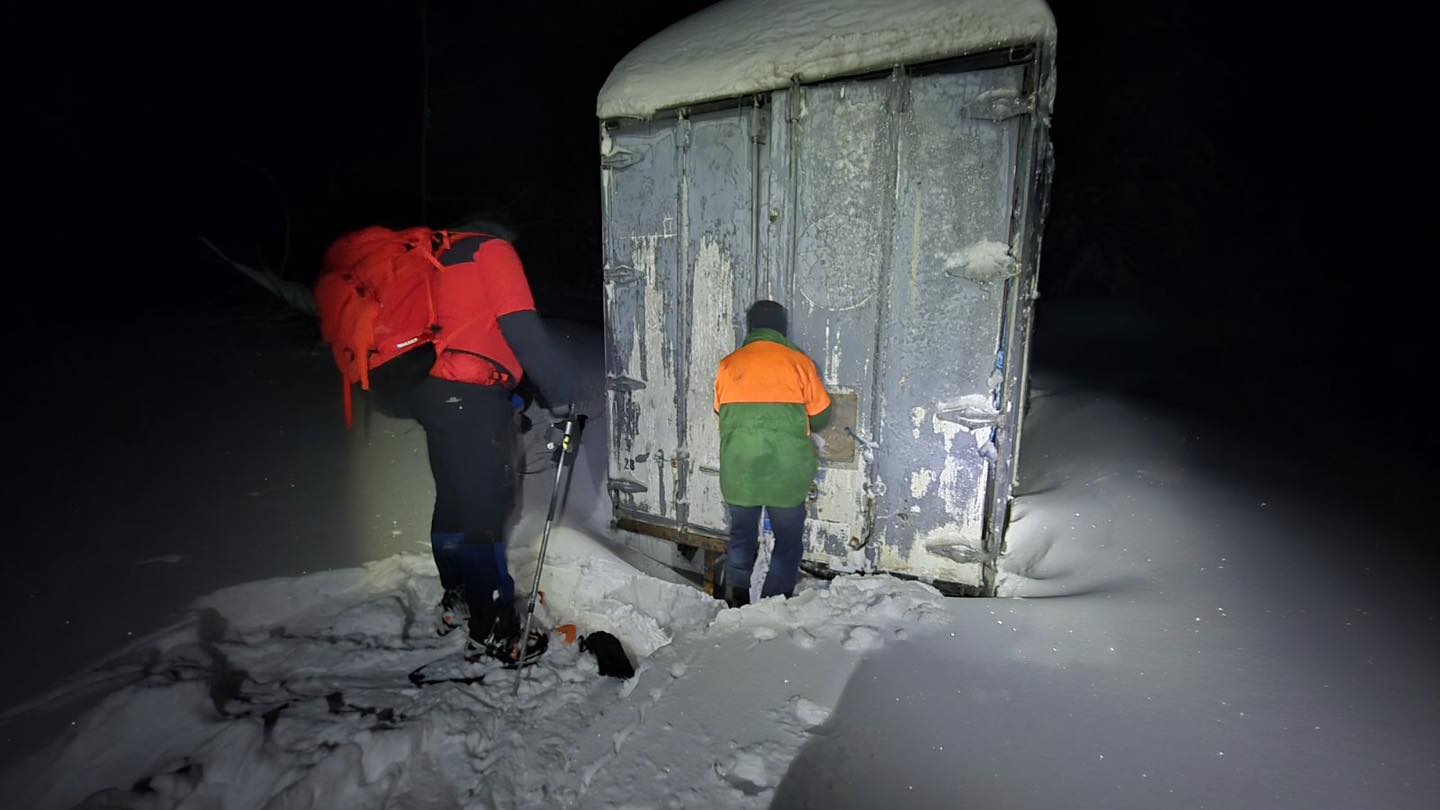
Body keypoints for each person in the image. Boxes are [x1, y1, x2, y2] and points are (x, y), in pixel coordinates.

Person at [369, 220, 575, 665]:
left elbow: (468, 334)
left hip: (431, 394)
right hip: (470, 399)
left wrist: (517, 391)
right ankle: (494, 627)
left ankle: (459, 596)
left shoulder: (438, 255)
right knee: (484, 509)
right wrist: (563, 395)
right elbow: (522, 329)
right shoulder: (492, 250)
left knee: (456, 499)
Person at [713, 300, 831, 608]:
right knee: (787, 542)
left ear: (751, 327)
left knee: (741, 537)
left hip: (740, 472)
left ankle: (736, 602)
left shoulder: (729, 364)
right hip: (786, 474)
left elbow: (720, 411)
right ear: (781, 327)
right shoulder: (798, 362)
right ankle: (772, 605)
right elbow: (820, 414)